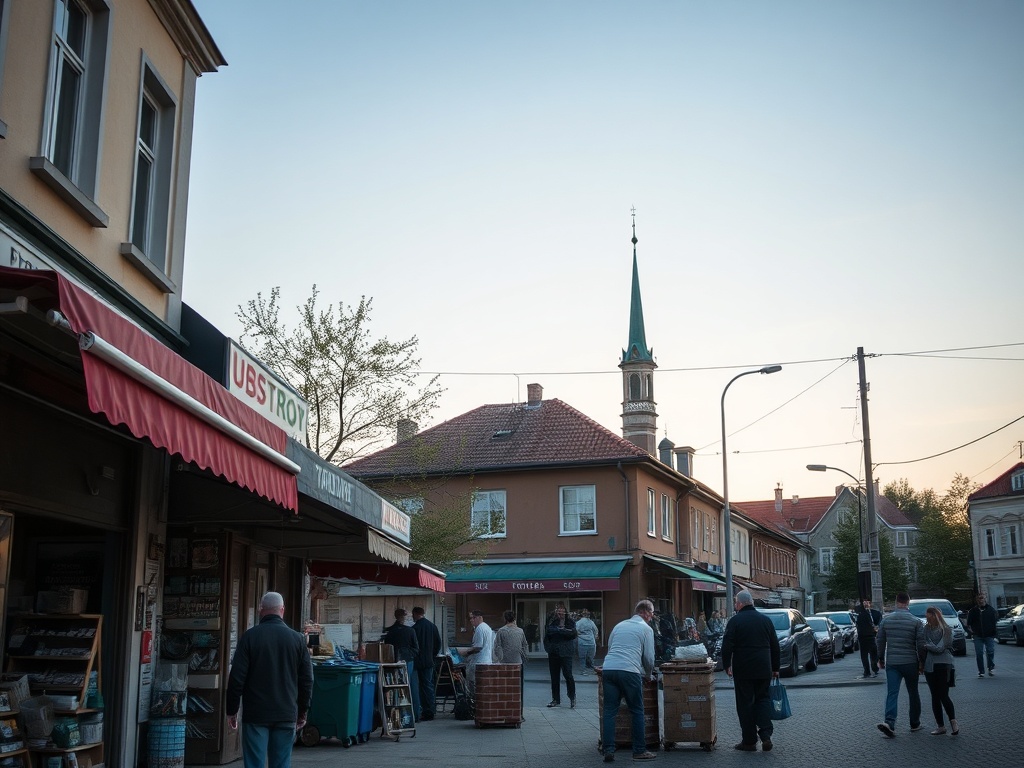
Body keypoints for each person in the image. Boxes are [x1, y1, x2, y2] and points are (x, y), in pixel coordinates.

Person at [226, 592, 313, 768]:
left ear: (260, 610)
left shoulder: (249, 638)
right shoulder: (297, 640)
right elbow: (307, 680)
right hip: (286, 712)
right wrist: (303, 711)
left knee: (254, 764)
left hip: (256, 713)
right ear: (282, 610)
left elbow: (236, 678)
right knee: (281, 763)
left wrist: (232, 710)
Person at [720, 590, 780, 752]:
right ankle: (766, 735)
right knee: (763, 700)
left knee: (745, 704)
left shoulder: (735, 621)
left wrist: (727, 665)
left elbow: (727, 645)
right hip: (763, 668)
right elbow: (775, 646)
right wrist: (775, 668)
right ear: (751, 603)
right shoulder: (765, 620)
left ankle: (749, 741)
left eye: (736, 603)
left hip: (744, 669)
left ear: (739, 604)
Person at [600, 599, 657, 762]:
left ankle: (608, 750)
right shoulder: (646, 629)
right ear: (645, 613)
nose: (652, 617)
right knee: (637, 710)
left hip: (609, 668)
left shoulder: (619, 625)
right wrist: (648, 674)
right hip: (630, 671)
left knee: (610, 711)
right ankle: (639, 750)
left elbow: (611, 648)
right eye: (652, 614)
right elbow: (648, 658)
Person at [875, 592, 926, 737]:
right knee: (913, 693)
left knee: (892, 693)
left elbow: (880, 641)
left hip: (893, 662)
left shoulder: (886, 620)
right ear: (908, 603)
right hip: (910, 662)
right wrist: (921, 662)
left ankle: (889, 722)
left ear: (896, 602)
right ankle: (915, 723)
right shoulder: (916, 621)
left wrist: (880, 658)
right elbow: (921, 644)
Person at [922, 606, 958, 736]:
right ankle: (941, 726)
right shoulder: (926, 628)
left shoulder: (946, 629)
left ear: (934, 616)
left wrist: (928, 646)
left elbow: (939, 648)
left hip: (943, 665)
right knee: (936, 696)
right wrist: (929, 646)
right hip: (930, 666)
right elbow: (925, 644)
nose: (927, 619)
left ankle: (952, 722)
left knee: (942, 695)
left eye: (928, 616)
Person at [383, 608, 420, 720]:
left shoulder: (389, 632)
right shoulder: (410, 631)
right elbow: (416, 648)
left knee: (395, 687)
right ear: (404, 617)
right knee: (411, 687)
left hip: (392, 661)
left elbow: (386, 647)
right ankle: (414, 714)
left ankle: (396, 714)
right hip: (407, 660)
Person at [492, 610, 529, 719]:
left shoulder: (501, 631)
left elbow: (497, 646)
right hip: (518, 663)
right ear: (514, 619)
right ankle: (519, 714)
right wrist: (523, 656)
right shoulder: (520, 631)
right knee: (518, 690)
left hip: (505, 664)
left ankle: (505, 711)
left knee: (504, 689)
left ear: (505, 619)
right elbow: (525, 645)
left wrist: (500, 658)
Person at [411, 606, 441, 721]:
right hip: (429, 661)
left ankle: (421, 710)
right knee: (428, 685)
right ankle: (430, 710)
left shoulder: (414, 628)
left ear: (416, 614)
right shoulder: (432, 626)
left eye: (413, 615)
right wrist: (432, 655)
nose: (412, 617)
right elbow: (438, 643)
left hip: (417, 661)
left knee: (417, 686)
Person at [544, 604, 578, 708]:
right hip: (554, 652)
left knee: (568, 675)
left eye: (562, 611)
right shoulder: (552, 621)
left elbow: (573, 634)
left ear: (565, 611)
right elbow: (548, 632)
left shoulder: (570, 622)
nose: (560, 613)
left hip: (566, 652)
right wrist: (549, 648)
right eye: (558, 611)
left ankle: (572, 697)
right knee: (554, 677)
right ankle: (555, 699)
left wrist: (559, 630)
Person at [463, 609, 494, 700]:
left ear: (480, 617)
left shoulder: (480, 628)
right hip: (486, 660)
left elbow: (478, 647)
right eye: (470, 618)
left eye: (473, 618)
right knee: (482, 686)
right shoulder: (487, 627)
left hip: (479, 662)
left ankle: (474, 703)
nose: (471, 620)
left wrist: (466, 652)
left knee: (474, 686)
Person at [965, 592, 997, 677]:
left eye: (982, 598)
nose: (981, 600)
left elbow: (994, 623)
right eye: (979, 598)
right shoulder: (973, 611)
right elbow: (968, 624)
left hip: (989, 635)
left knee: (990, 651)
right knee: (979, 653)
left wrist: (994, 634)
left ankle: (991, 668)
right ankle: (981, 671)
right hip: (977, 635)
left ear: (985, 599)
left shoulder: (991, 610)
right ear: (977, 600)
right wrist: (972, 632)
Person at [853, 598, 882, 678]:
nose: (865, 604)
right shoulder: (860, 614)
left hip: (872, 636)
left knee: (873, 653)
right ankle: (867, 671)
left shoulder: (875, 613)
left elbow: (878, 623)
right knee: (864, 655)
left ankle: (874, 666)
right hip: (863, 637)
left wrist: (876, 629)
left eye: (867, 602)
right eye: (864, 603)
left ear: (870, 603)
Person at [575, 609, 599, 674]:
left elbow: (576, 631)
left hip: (583, 642)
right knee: (590, 657)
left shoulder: (579, 623)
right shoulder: (590, 622)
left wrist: (580, 635)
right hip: (590, 642)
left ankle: (584, 670)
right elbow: (596, 630)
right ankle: (589, 670)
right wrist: (595, 636)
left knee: (583, 657)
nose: (587, 615)